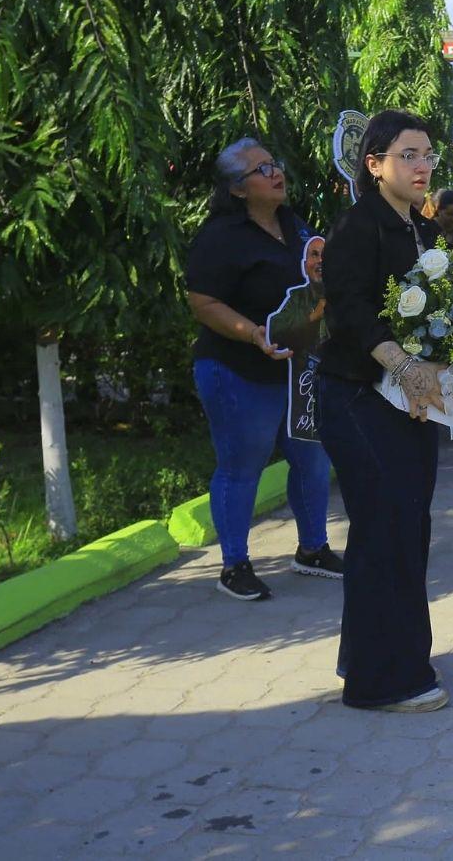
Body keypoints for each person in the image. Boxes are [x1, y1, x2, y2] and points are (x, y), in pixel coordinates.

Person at [315, 110, 449, 713]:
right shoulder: (358, 225)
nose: (422, 167)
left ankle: (389, 653)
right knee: (384, 527)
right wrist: (403, 368)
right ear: (374, 165)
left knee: (409, 524)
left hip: (404, 402)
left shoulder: (416, 228)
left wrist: (445, 372)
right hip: (356, 395)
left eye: (426, 156)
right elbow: (349, 307)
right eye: (408, 155)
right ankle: (380, 681)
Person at [184, 139, 342, 602]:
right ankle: (234, 564)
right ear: (237, 189)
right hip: (237, 371)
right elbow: (203, 303)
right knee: (241, 467)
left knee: (312, 461)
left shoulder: (295, 226)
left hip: (296, 373)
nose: (277, 174)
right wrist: (252, 332)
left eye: (277, 164)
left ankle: (312, 549)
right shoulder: (220, 238)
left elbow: (318, 273)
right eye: (262, 169)